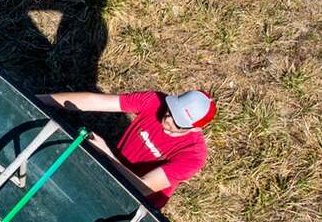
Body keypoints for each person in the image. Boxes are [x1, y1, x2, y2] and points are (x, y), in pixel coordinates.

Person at [37, 89, 214, 208]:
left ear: (196, 128)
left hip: (131, 202)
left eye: (178, 122)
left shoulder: (193, 156)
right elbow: (93, 101)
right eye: (171, 110)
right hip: (109, 169)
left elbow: (144, 187)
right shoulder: (154, 101)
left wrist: (106, 153)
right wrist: (38, 100)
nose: (168, 119)